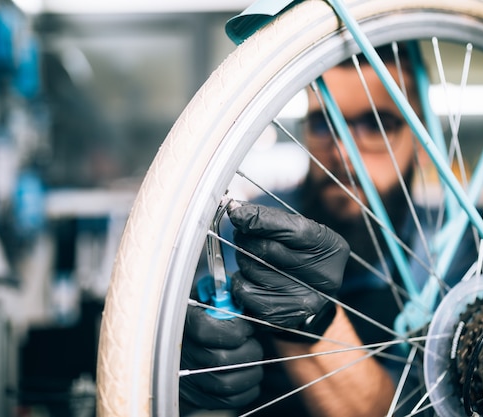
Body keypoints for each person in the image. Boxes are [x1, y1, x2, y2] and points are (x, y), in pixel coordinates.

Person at [180, 45, 459, 417]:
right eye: (324, 123)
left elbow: (419, 405)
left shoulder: (456, 252)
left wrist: (312, 323)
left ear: (422, 143)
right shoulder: (253, 224)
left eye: (376, 125)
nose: (343, 151)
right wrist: (180, 356)